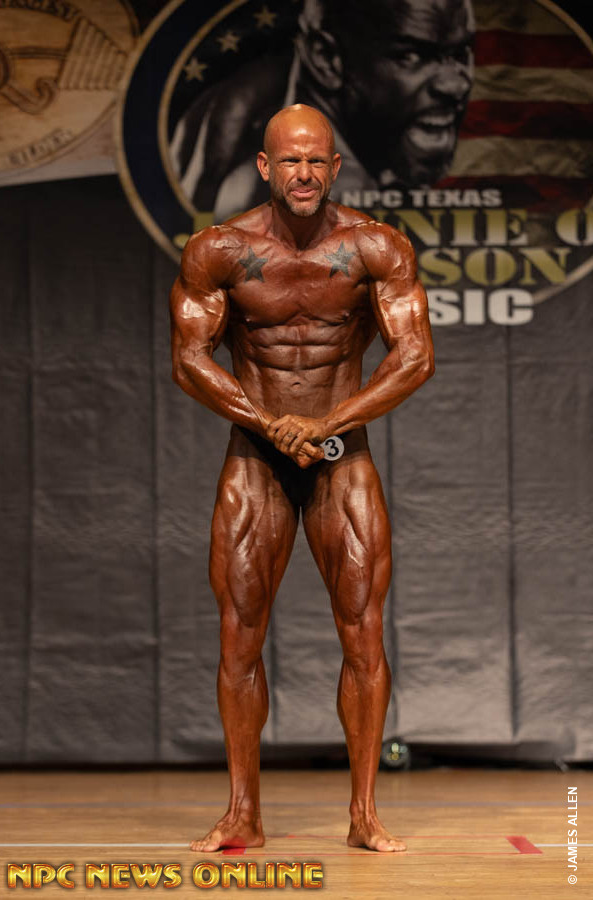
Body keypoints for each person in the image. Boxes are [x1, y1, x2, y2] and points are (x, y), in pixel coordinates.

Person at [170, 103, 434, 852]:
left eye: (317, 160)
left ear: (335, 167)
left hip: (341, 458)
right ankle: (242, 813)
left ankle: (364, 813)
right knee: (239, 637)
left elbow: (414, 355)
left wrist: (327, 422)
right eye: (291, 160)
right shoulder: (219, 250)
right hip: (256, 460)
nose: (305, 173)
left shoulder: (375, 247)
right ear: (265, 166)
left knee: (364, 633)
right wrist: (269, 422)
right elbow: (188, 359)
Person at [169, 0, 474, 220]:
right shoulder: (292, 191)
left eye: (460, 54)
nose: (455, 86)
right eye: (410, 56)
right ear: (326, 59)